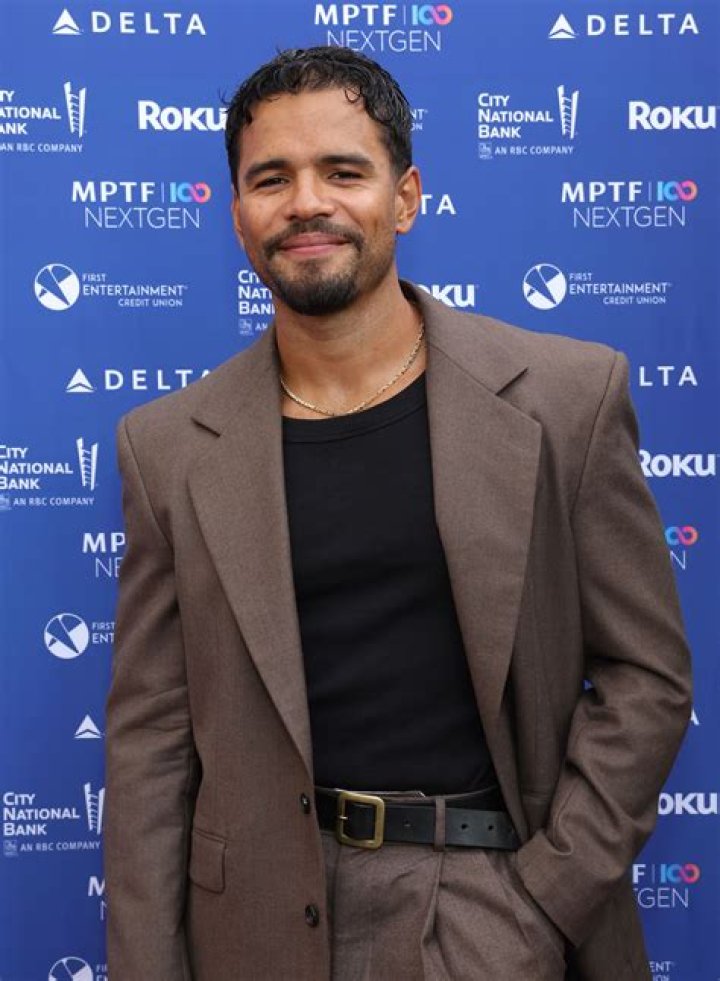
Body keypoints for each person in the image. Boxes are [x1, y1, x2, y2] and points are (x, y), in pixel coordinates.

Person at [105, 46, 692, 981]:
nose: (306, 203)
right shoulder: (166, 445)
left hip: (486, 910)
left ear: (406, 197)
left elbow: (647, 676)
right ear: (238, 213)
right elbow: (150, 743)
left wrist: (546, 893)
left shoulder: (566, 398)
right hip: (254, 929)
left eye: (343, 171)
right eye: (271, 178)